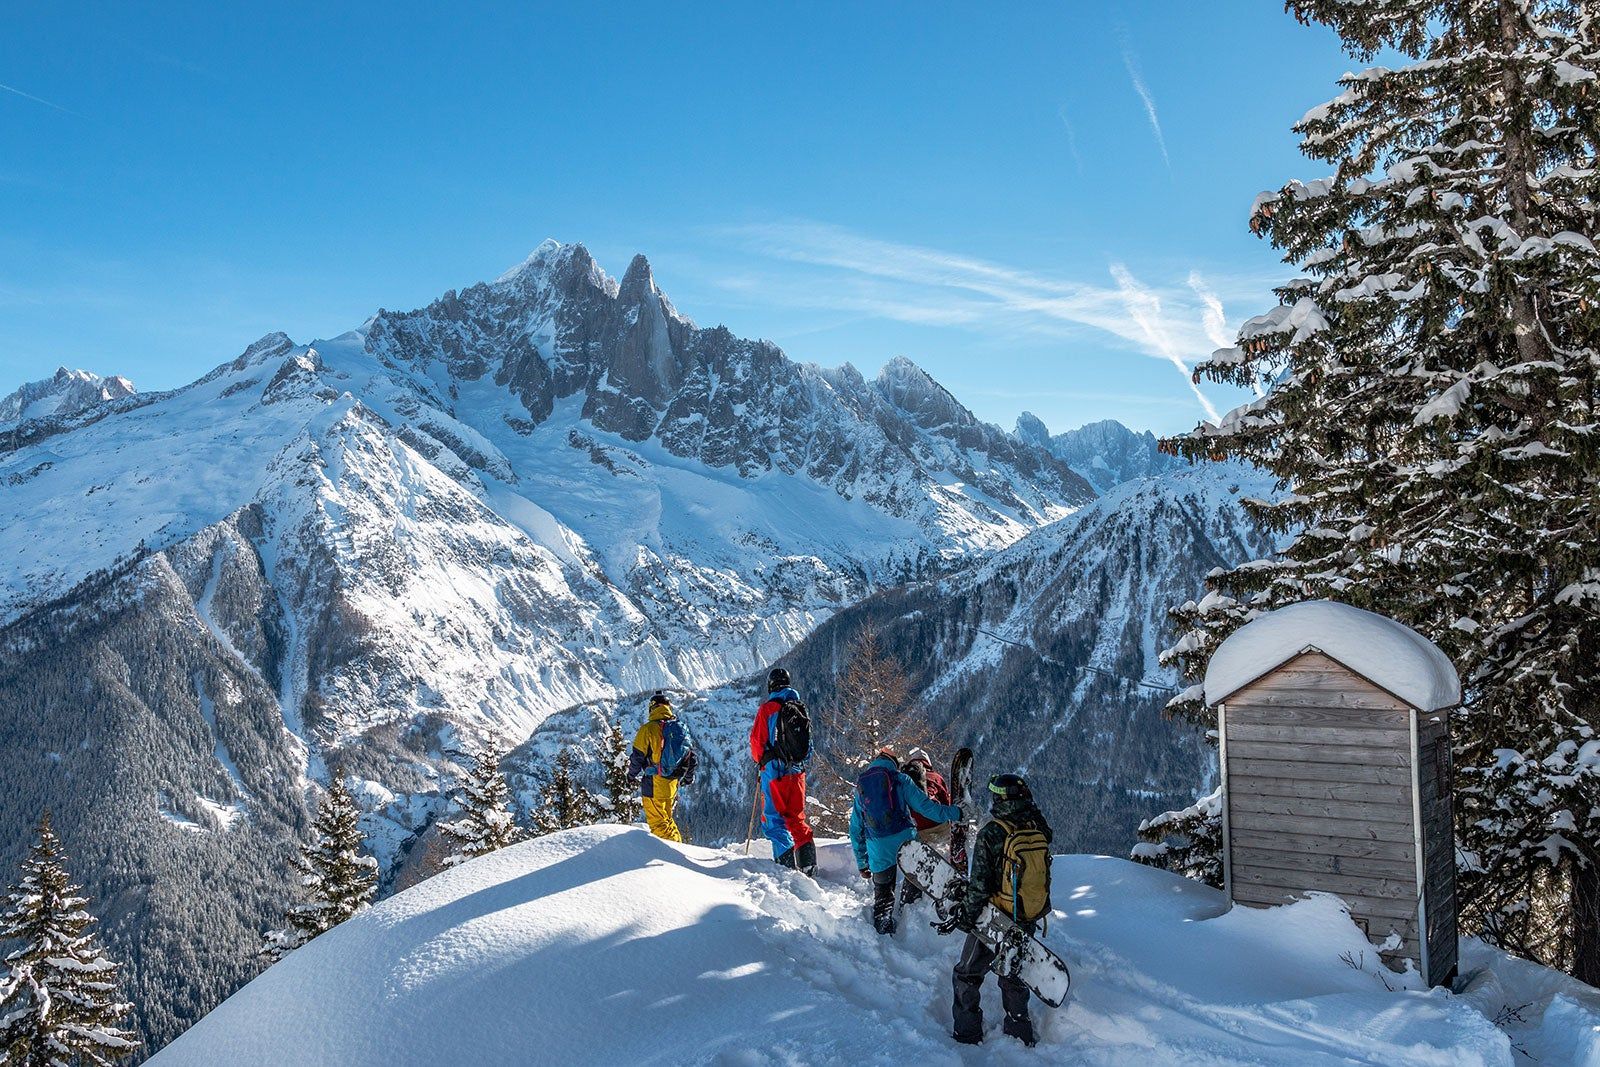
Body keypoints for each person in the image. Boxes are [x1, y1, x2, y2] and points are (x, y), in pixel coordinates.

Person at [951, 773, 1053, 1047]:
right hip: (1026, 912)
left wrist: (967, 917)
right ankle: (1019, 1032)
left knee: (967, 973)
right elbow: (1049, 836)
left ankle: (967, 1033)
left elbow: (980, 883)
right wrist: (1030, 805)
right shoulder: (1036, 826)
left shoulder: (992, 832)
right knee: (1014, 972)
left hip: (994, 916)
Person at [849, 747, 962, 935]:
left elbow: (855, 829)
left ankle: (883, 933)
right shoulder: (900, 779)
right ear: (894, 763)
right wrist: (956, 812)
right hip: (905, 840)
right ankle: (910, 911)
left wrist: (862, 862)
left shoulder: (862, 785)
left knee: (883, 895)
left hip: (877, 845)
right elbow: (927, 808)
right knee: (915, 878)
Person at [750, 667, 817, 875]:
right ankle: (809, 866)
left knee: (773, 822)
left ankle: (786, 871)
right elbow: (809, 746)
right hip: (798, 773)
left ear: (771, 686)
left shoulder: (767, 709)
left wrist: (763, 763)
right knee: (796, 818)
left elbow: (756, 744)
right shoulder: (799, 707)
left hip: (774, 774)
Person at [627, 691, 696, 842]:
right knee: (667, 821)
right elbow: (692, 756)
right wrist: (688, 777)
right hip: (672, 783)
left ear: (652, 708)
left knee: (658, 824)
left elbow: (637, 757)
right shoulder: (679, 727)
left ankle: (668, 858)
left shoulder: (648, 729)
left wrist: (631, 776)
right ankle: (680, 849)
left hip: (654, 783)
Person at [899, 748, 953, 905]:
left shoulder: (905, 780)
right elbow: (946, 804)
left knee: (916, 865)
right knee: (942, 857)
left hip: (917, 829)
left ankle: (909, 899)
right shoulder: (936, 777)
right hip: (940, 827)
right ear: (928, 763)